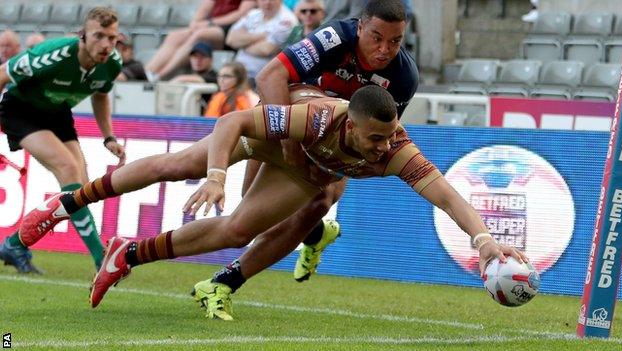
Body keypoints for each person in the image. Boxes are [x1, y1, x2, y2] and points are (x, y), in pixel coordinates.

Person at [18, 85, 528, 316]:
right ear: (351, 123)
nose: (383, 147)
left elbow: (445, 194)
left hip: (308, 173)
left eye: (389, 137)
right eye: (374, 138)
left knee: (238, 231)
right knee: (182, 165)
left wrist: (483, 239)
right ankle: (65, 203)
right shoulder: (320, 118)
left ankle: (127, 254)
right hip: (268, 143)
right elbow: (233, 121)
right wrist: (217, 174)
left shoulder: (394, 149)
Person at [191, 0, 419, 320]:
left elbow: (381, 130)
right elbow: (272, 78)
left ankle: (224, 283)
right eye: (304, 12)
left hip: (338, 136)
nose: (384, 49)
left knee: (321, 200)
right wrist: (289, 143)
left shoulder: (402, 75)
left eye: (393, 41)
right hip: (289, 122)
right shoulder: (315, 37)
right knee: (255, 213)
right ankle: (314, 234)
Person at [0, 7, 126, 273]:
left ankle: (14, 243)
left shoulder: (112, 63)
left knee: (80, 189)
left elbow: (101, 95)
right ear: (82, 36)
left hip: (57, 113)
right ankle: (100, 259)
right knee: (68, 170)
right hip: (21, 110)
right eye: (99, 36)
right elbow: (2, 75)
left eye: (112, 38)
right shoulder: (50, 55)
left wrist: (108, 136)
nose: (106, 45)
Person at [145, 0, 256, 81]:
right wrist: (195, 23)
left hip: (231, 28)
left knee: (199, 34)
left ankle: (162, 73)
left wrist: (209, 23)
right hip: (211, 25)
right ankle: (148, 72)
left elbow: (242, 13)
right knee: (175, 35)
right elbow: (203, 10)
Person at [226, 0, 298, 80]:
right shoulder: (253, 14)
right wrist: (260, 36)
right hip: (237, 72)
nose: (267, 2)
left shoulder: (287, 20)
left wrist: (242, 44)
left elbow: (266, 50)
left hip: (260, 77)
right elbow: (230, 39)